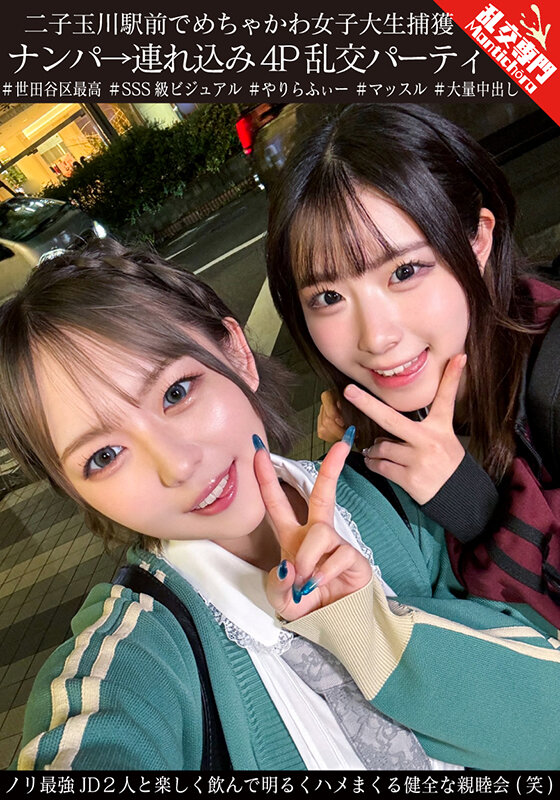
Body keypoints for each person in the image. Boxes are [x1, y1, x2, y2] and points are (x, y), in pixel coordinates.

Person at [2, 239, 560, 772]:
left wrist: (367, 628)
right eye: (103, 456)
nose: (178, 466)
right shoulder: (136, 658)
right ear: (72, 489)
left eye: (176, 392)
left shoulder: (395, 500)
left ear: (237, 353)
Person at [266, 102, 560, 629]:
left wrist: (470, 505)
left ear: (478, 240)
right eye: (329, 297)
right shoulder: (385, 417)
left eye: (404, 271)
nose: (377, 338)